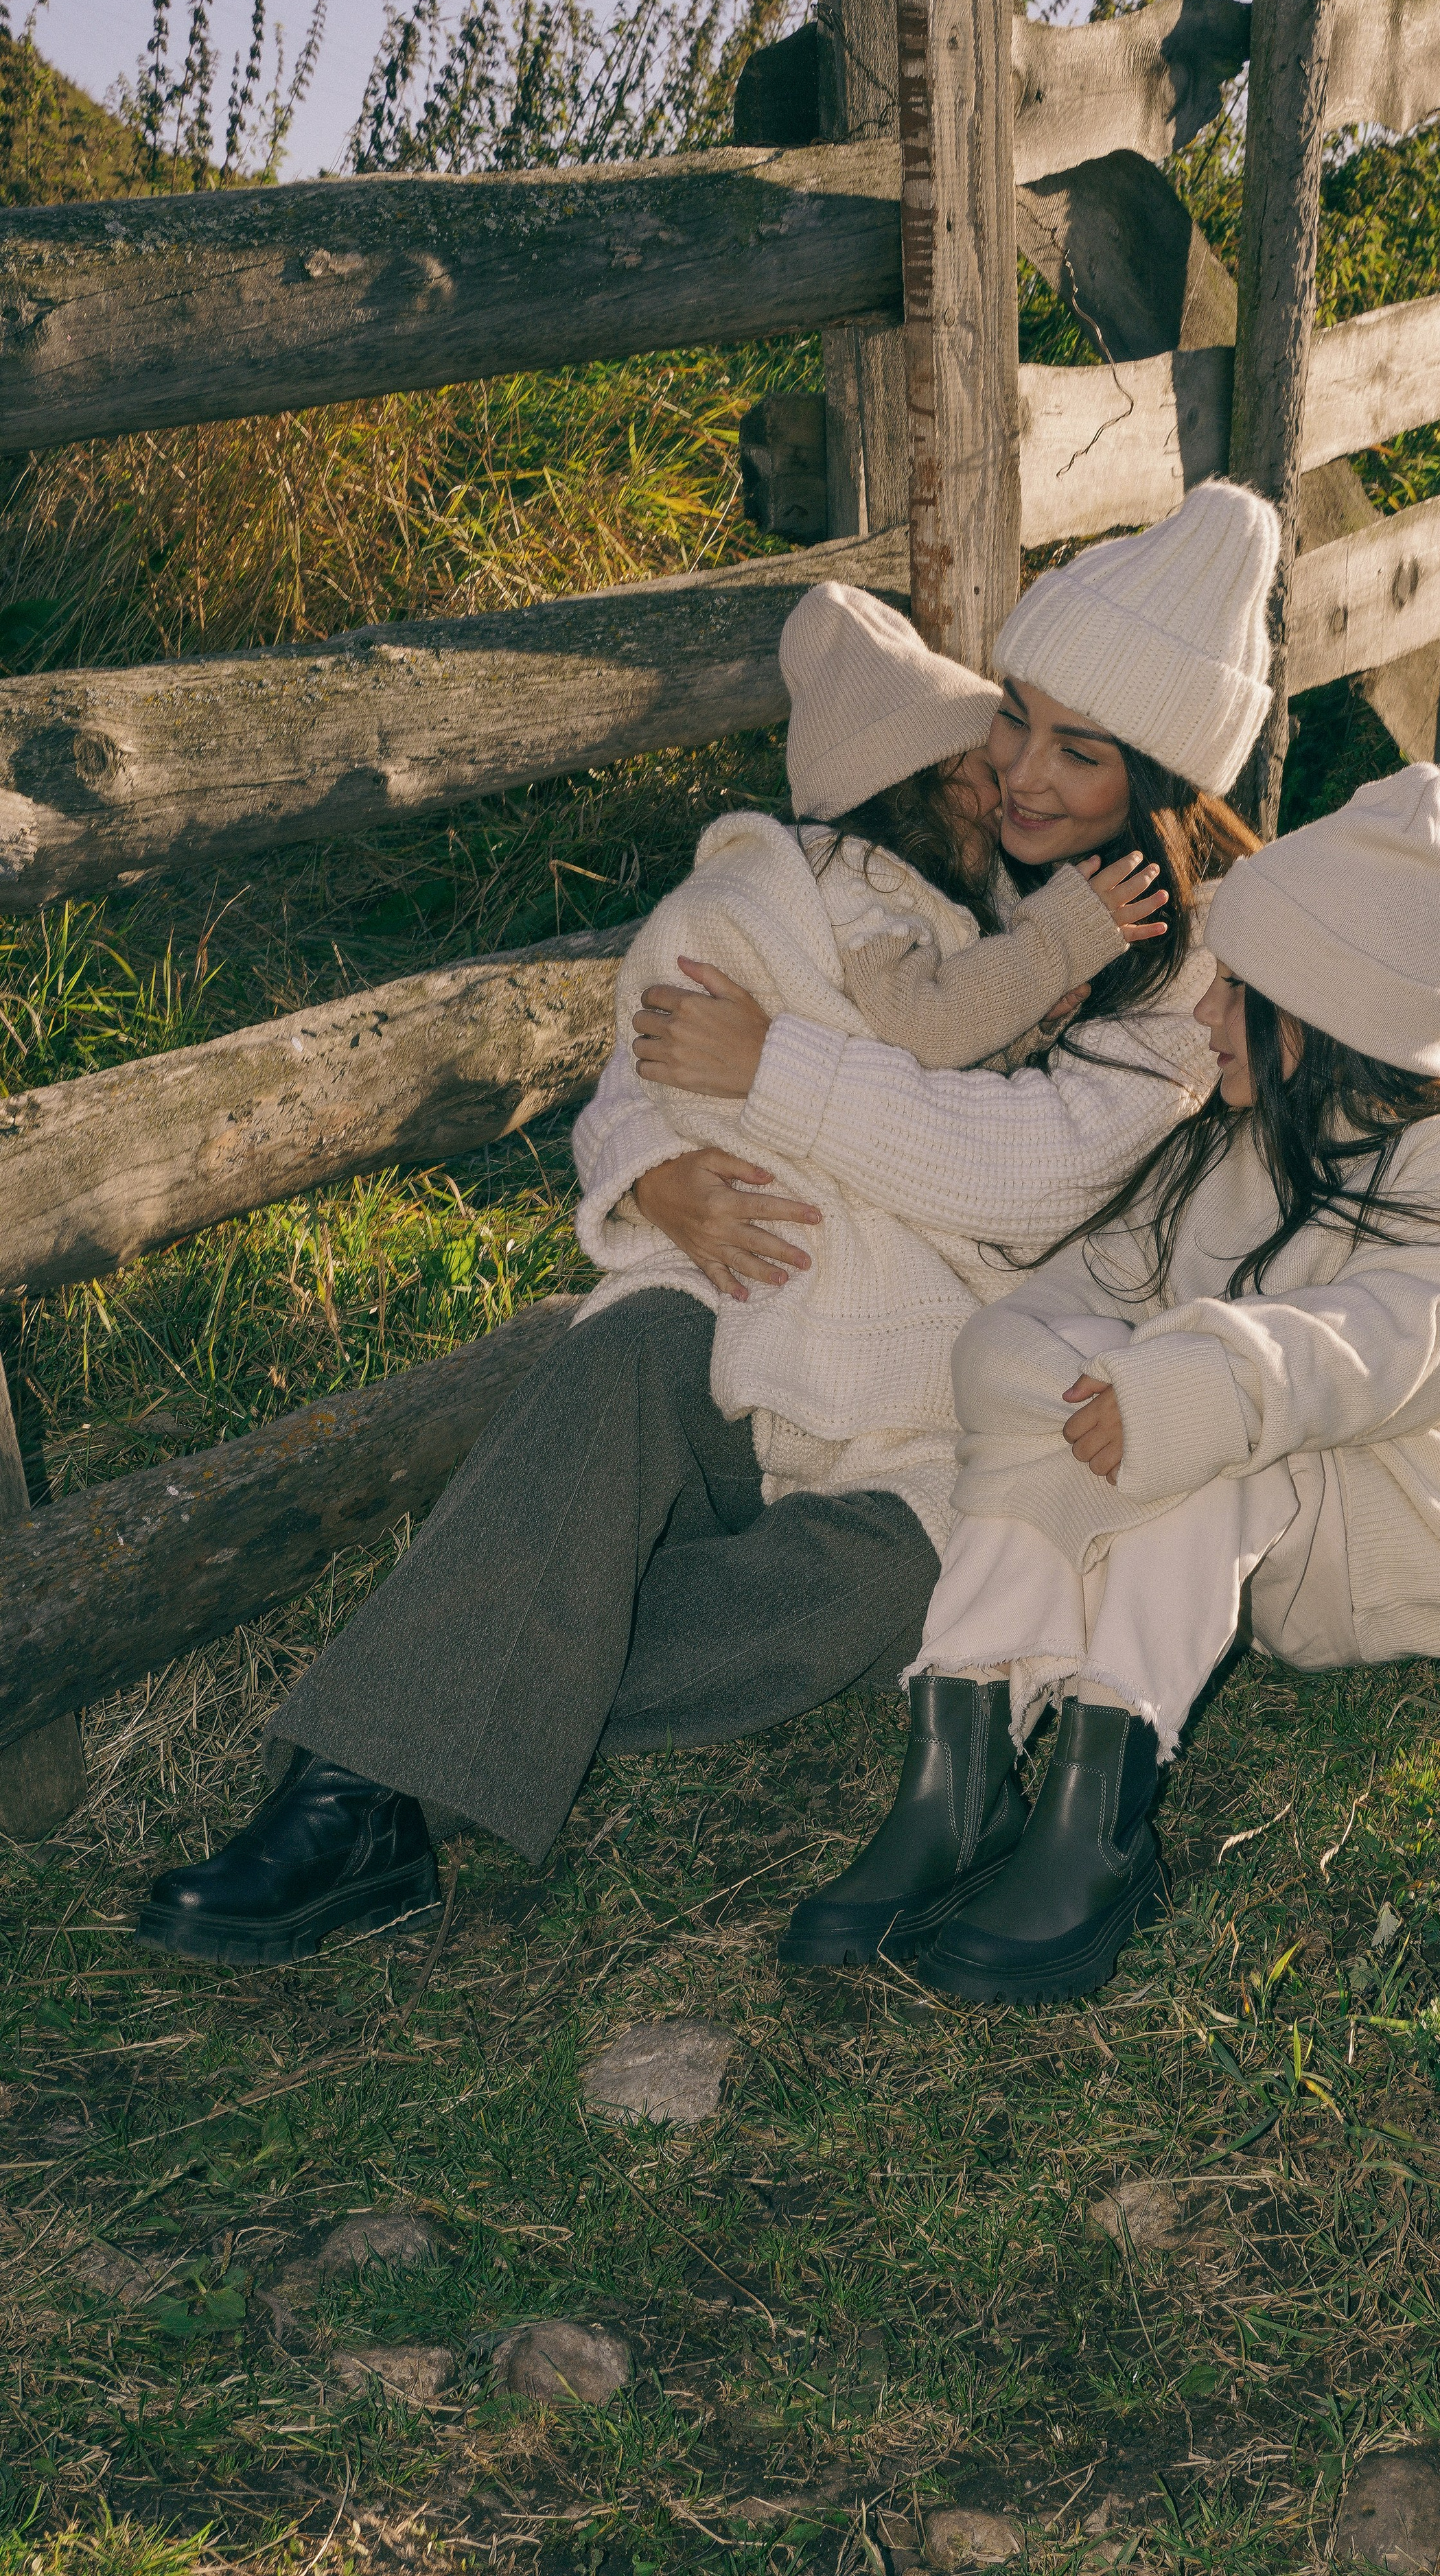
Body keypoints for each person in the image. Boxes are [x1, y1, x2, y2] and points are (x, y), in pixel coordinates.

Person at [134, 480, 1278, 1971]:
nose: (1020, 771)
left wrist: (772, 1072)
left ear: (1161, 780)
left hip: (950, 1392)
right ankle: (358, 1798)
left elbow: (1023, 1179)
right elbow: (671, 1024)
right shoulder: (914, 834)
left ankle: (464, 1692)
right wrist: (648, 1166)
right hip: (763, 1298)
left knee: (867, 1594)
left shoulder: (1187, 968)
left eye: (1081, 750)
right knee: (621, 1355)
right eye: (1016, 717)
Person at [784, 766, 1440, 2007]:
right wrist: (1068, 1384)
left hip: (1405, 1558)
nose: (1203, 1007)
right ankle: (960, 1776)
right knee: (1120, 1391)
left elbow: (1361, 1351)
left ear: (1313, 1010)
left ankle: (1097, 1824)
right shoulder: (1218, 1154)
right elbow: (1041, 1311)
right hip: (1270, 1561)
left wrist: (1173, 1391)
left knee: (1210, 1413)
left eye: (1234, 986)